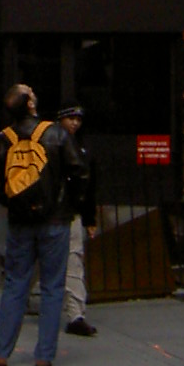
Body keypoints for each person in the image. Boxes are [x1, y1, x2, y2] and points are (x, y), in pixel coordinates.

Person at [0, 84, 85, 366]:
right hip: (55, 219)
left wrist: (14, 204)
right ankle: (44, 355)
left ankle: (1, 352)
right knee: (53, 286)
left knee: (15, 283)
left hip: (20, 222)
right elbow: (79, 171)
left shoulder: (2, 139)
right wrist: (68, 204)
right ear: (30, 104)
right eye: (29, 92)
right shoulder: (55, 134)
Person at [58, 105, 100, 338]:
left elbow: (89, 184)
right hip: (53, 211)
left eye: (78, 119)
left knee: (73, 259)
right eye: (70, 118)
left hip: (70, 211)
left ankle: (76, 314)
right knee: (39, 260)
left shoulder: (83, 147)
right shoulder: (53, 142)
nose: (74, 123)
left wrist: (89, 217)